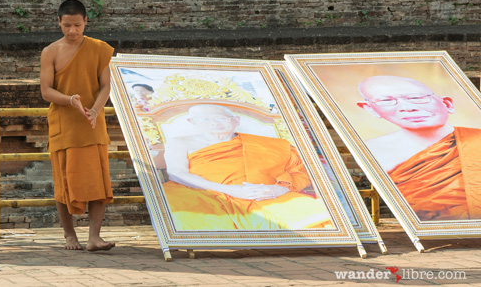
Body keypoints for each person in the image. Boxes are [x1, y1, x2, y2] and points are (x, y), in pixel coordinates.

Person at [161, 104, 331, 230]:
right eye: (206, 119)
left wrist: (280, 189)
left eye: (221, 118)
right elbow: (177, 173)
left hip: (263, 193)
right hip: (203, 192)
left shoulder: (272, 145)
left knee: (316, 213)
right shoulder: (180, 142)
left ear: (236, 121)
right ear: (193, 122)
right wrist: (229, 190)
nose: (214, 123)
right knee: (184, 215)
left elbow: (299, 173)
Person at [39, 0, 115, 251]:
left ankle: (95, 237)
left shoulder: (99, 49)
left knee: (98, 184)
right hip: (64, 124)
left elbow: (106, 85)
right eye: (67, 25)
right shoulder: (50, 52)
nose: (72, 31)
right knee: (64, 183)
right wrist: (69, 100)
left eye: (78, 25)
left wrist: (95, 109)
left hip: (92, 123)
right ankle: (70, 235)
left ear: (86, 22)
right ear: (58, 22)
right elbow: (46, 91)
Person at [357, 75, 481, 220]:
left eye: (416, 98)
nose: (407, 108)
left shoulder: (476, 139)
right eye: (386, 101)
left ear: (447, 104)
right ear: (371, 109)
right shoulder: (375, 150)